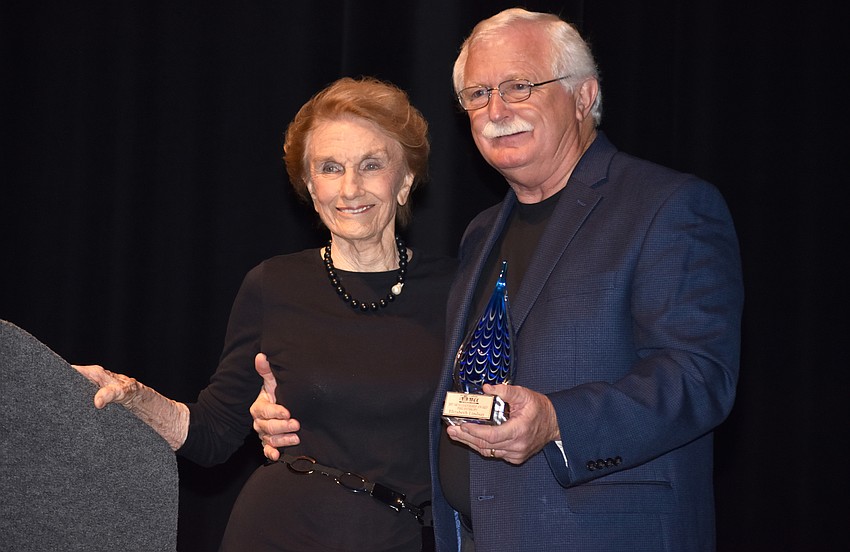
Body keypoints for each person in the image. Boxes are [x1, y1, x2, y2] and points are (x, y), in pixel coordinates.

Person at [253, 8, 744, 552]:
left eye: (519, 86)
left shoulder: (665, 206)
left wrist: (558, 421)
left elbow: (700, 376)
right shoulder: (482, 233)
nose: (496, 110)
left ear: (584, 96)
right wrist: (294, 407)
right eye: (478, 94)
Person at [74, 76, 457, 552]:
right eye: (331, 167)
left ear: (404, 182)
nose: (350, 187)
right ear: (310, 187)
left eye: (372, 165)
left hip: (402, 537)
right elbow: (213, 434)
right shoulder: (273, 285)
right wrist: (131, 395)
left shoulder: (456, 288)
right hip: (279, 531)